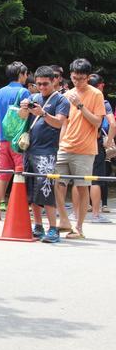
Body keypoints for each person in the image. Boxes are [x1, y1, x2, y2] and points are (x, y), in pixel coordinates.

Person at [55, 58, 106, 239]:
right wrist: (60, 144)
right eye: (74, 78)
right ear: (70, 75)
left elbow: (97, 122)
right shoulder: (66, 95)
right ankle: (63, 220)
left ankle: (79, 227)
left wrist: (80, 105)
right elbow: (64, 123)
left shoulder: (96, 94)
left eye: (81, 78)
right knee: (57, 183)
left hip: (85, 150)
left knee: (82, 188)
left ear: (88, 77)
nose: (77, 82)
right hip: (65, 146)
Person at [18, 66, 69, 243]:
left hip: (47, 151)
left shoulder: (61, 100)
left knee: (46, 190)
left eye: (45, 84)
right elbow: (22, 117)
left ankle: (53, 228)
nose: (41, 87)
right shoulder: (33, 97)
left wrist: (43, 113)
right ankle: (38, 226)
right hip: (29, 149)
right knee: (32, 191)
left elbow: (59, 123)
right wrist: (24, 108)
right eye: (38, 84)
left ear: (54, 81)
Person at [0, 61, 31, 221]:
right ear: (21, 74)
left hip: (3, 141)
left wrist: (3, 134)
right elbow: (26, 115)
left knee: (1, 176)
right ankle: (20, 210)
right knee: (20, 174)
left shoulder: (0, 92)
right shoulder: (24, 92)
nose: (26, 77)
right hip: (19, 142)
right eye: (26, 74)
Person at [87, 74, 115, 223]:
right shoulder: (103, 102)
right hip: (95, 143)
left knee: (79, 179)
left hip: (79, 143)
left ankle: (77, 213)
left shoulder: (79, 99)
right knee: (95, 179)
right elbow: (113, 124)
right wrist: (109, 141)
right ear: (100, 86)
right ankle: (96, 214)